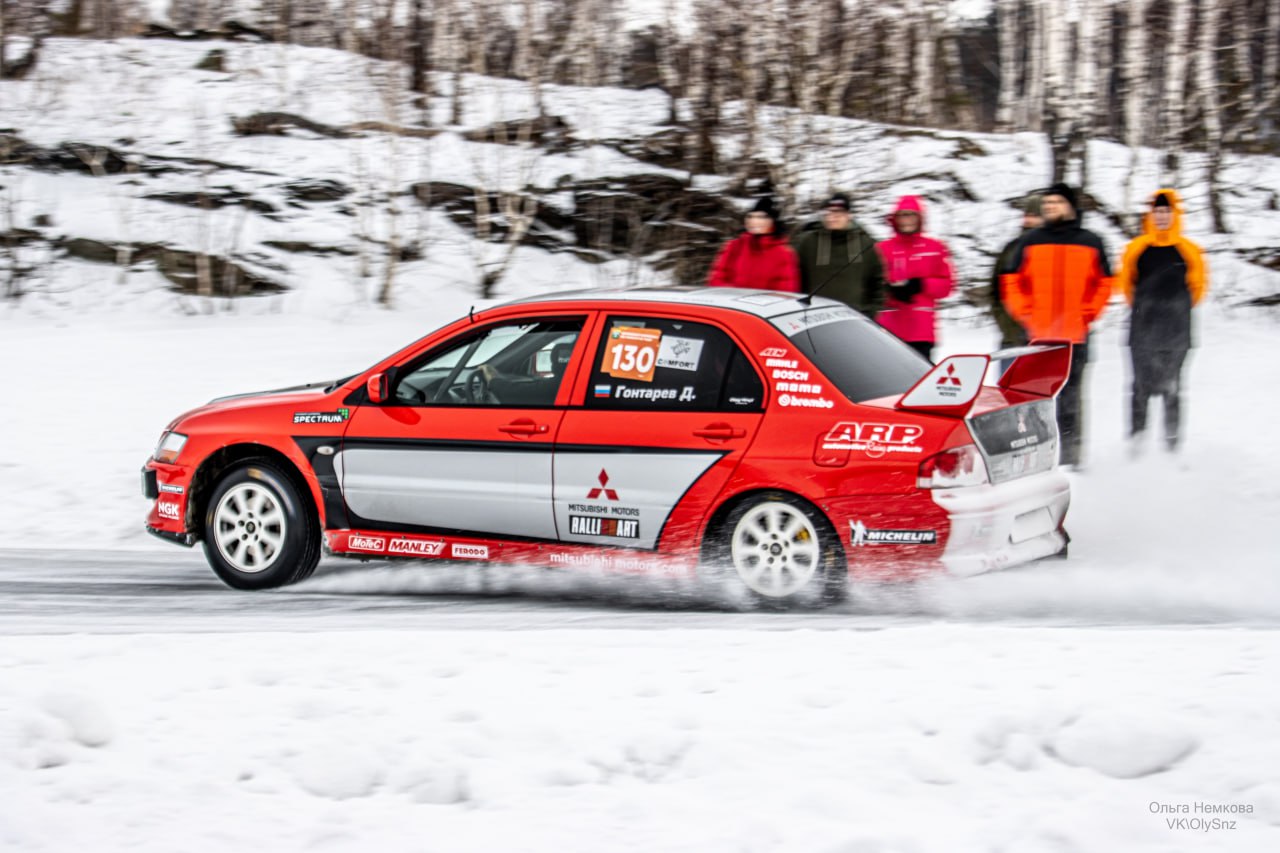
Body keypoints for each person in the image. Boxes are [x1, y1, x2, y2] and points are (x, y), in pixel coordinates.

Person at [1001, 182, 1113, 469]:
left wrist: (1088, 312)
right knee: (1035, 403)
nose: (1049, 207)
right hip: (1037, 338)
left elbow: (1105, 283)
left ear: (1071, 207)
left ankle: (1071, 460)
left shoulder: (1091, 241)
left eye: (1056, 203)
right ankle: (1036, 460)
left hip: (1076, 337)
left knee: (1071, 400)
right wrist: (1026, 312)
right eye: (1047, 204)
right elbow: (1011, 280)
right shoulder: (1031, 240)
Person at [1117, 189, 1208, 454]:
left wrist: (1174, 307)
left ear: (1175, 214)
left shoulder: (1189, 250)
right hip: (1142, 331)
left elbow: (1198, 287)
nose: (1161, 216)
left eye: (1166, 211)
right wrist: (1146, 307)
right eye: (1157, 211)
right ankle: (1137, 446)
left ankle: (1171, 446)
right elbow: (1126, 285)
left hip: (1177, 332)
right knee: (1139, 389)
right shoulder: (1136, 248)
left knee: (1173, 390)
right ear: (1150, 214)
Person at [874, 195, 955, 361]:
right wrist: (889, 291)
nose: (906, 220)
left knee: (921, 381)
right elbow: (871, 284)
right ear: (895, 219)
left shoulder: (935, 248)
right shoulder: (882, 249)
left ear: (920, 218)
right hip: (889, 327)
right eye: (902, 215)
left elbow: (947, 286)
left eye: (911, 214)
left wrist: (921, 284)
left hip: (921, 330)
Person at [791, 192, 884, 316]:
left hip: (855, 318)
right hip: (815, 318)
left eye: (838, 212)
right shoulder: (807, 242)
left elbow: (878, 282)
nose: (832, 217)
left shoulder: (865, 244)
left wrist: (870, 313)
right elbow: (792, 276)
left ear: (849, 215)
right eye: (828, 212)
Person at [706, 196, 800, 292]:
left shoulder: (784, 253)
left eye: (762, 217)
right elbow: (717, 279)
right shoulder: (733, 246)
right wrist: (733, 297)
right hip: (730, 304)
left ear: (773, 221)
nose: (754, 221)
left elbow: (786, 291)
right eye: (751, 216)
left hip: (762, 306)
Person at [991, 195, 1043, 354]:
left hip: (1043, 336)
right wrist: (1006, 324)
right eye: (1027, 214)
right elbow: (996, 291)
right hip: (1012, 335)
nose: (1028, 219)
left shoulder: (1053, 250)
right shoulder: (1011, 248)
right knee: (1007, 378)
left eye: (1035, 215)